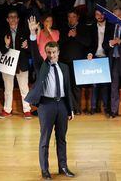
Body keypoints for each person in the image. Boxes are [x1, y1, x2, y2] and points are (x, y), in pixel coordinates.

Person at [24, 41, 75, 180]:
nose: (52, 55)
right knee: (45, 139)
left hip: (62, 105)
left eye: (54, 52)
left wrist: (70, 109)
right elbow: (34, 53)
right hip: (46, 105)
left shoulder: (64, 67)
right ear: (46, 53)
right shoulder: (42, 66)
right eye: (49, 53)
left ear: (58, 53)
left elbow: (68, 89)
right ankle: (45, 170)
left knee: (61, 138)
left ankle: (63, 167)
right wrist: (33, 36)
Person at [0, 10, 32, 120]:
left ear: (18, 19)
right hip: (8, 64)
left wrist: (27, 46)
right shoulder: (2, 32)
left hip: (21, 63)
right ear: (7, 20)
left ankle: (27, 110)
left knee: (24, 88)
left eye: (15, 17)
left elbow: (32, 48)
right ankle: (7, 110)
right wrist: (6, 45)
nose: (12, 19)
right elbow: (0, 50)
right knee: (8, 88)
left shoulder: (25, 31)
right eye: (10, 17)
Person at [59, 9, 91, 115]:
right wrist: (68, 36)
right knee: (67, 86)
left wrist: (76, 35)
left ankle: (77, 109)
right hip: (65, 61)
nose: (71, 19)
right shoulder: (64, 28)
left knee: (76, 87)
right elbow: (59, 43)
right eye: (69, 17)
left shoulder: (84, 28)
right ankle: (70, 108)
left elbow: (87, 43)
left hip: (78, 62)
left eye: (73, 16)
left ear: (77, 17)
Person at [86, 9, 112, 115]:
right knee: (95, 84)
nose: (100, 16)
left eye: (101, 14)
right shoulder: (92, 27)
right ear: (95, 15)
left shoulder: (110, 26)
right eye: (97, 14)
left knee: (105, 85)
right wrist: (89, 53)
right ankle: (93, 108)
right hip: (95, 57)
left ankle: (106, 108)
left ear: (104, 14)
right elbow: (90, 43)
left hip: (106, 57)